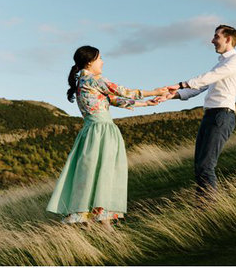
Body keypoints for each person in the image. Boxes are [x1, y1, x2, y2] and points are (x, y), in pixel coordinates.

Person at [47, 45, 169, 227]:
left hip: (90, 132)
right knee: (105, 172)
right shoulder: (93, 80)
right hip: (102, 130)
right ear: (89, 62)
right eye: (99, 58)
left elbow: (114, 100)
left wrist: (148, 104)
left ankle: (90, 220)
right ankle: (102, 222)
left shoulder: (83, 83)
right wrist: (155, 91)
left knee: (90, 173)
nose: (102, 61)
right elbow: (122, 91)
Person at [156, 25, 236, 198]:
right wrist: (171, 95)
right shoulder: (220, 64)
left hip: (222, 115)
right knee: (199, 165)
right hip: (210, 116)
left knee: (206, 166)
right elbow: (200, 86)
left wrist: (182, 83)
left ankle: (208, 210)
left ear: (228, 39)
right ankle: (203, 207)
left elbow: (207, 78)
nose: (212, 41)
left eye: (216, 37)